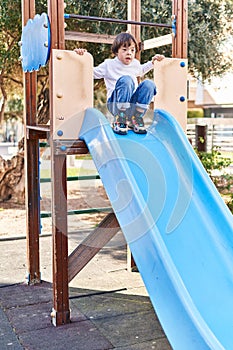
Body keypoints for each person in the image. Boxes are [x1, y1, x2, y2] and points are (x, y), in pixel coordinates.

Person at [75, 32, 164, 135]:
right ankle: (120, 117)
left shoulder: (135, 64)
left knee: (149, 84)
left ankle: (136, 117)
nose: (129, 53)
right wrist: (80, 58)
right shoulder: (109, 64)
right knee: (126, 80)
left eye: (132, 50)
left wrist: (153, 62)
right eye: (124, 50)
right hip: (115, 104)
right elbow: (91, 73)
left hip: (132, 106)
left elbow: (142, 69)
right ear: (116, 52)